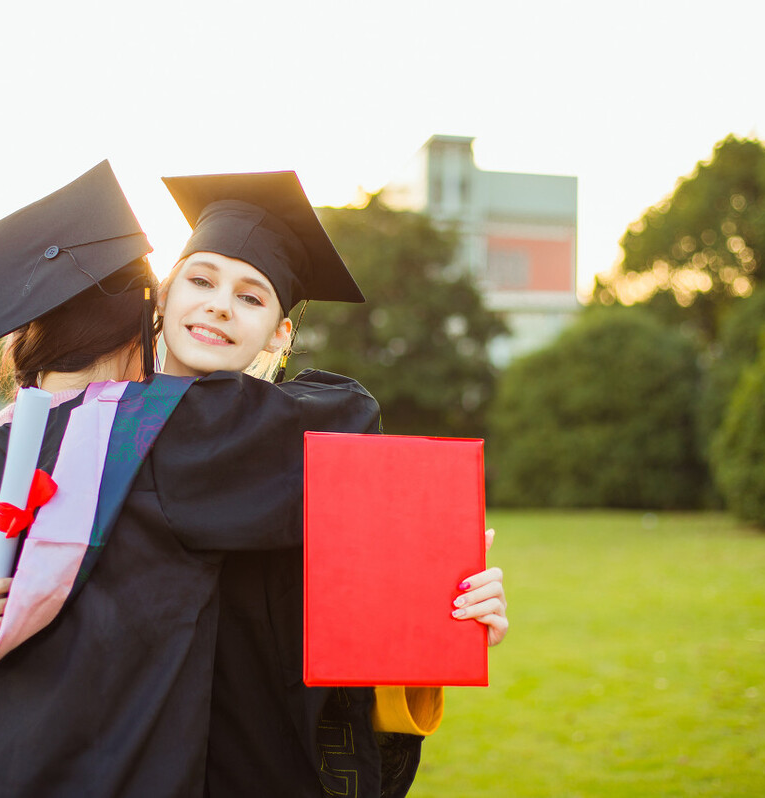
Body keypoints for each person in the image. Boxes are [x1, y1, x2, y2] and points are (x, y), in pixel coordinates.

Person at [156, 171, 508, 798]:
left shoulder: (319, 452)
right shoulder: (90, 435)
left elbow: (372, 662)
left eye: (252, 296)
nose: (218, 304)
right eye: (201, 279)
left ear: (280, 333)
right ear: (164, 295)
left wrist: (448, 618)